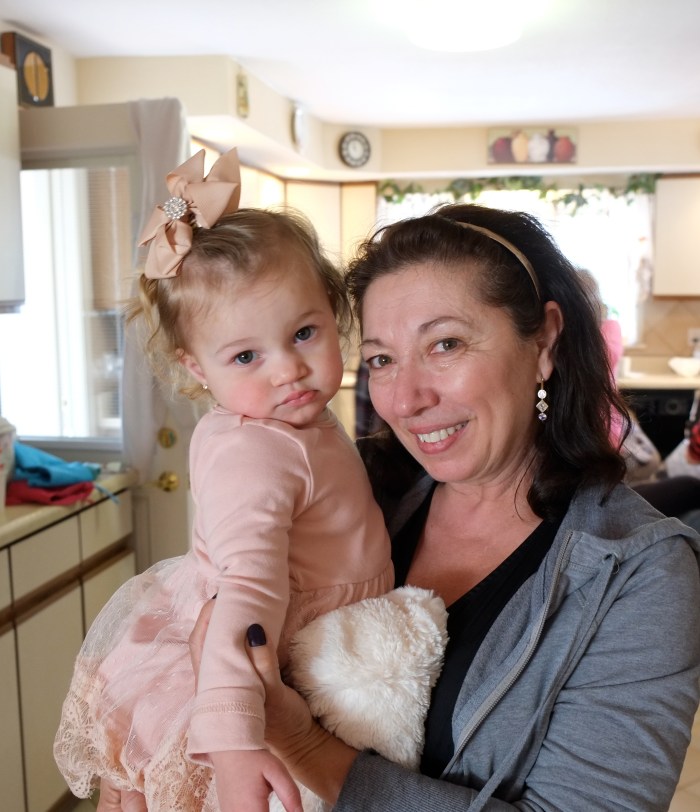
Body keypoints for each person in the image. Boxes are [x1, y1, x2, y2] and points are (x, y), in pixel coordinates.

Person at [188, 202, 700, 811]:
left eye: (446, 344)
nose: (406, 400)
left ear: (544, 341)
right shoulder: (351, 488)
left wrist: (302, 745)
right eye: (381, 360)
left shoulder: (638, 573)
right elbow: (203, 605)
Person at [53, 149, 394, 812]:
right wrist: (237, 748)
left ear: (334, 313)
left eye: (304, 332)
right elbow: (248, 590)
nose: (287, 369)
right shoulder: (257, 452)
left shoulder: (283, 421)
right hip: (258, 657)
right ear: (196, 368)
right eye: (245, 356)